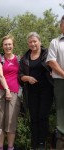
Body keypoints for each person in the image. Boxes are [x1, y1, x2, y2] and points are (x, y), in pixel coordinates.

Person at [19, 32, 53, 150]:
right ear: (28, 44)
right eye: (30, 42)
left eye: (35, 41)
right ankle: (34, 142)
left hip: (46, 90)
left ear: (40, 42)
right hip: (31, 91)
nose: (33, 44)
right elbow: (20, 75)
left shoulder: (47, 53)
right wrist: (27, 78)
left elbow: (55, 65)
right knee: (33, 117)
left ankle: (42, 142)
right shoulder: (24, 58)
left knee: (43, 116)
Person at [0, 35, 20, 150]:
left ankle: (10, 147)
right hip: (0, 91)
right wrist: (7, 90)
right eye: (5, 44)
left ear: (13, 45)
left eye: (9, 44)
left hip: (14, 92)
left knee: (11, 122)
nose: (8, 46)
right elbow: (0, 75)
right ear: (2, 46)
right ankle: (0, 147)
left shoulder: (18, 59)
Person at [46, 15, 64, 149]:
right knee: (61, 110)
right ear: (61, 25)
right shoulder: (55, 42)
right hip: (60, 82)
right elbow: (51, 61)